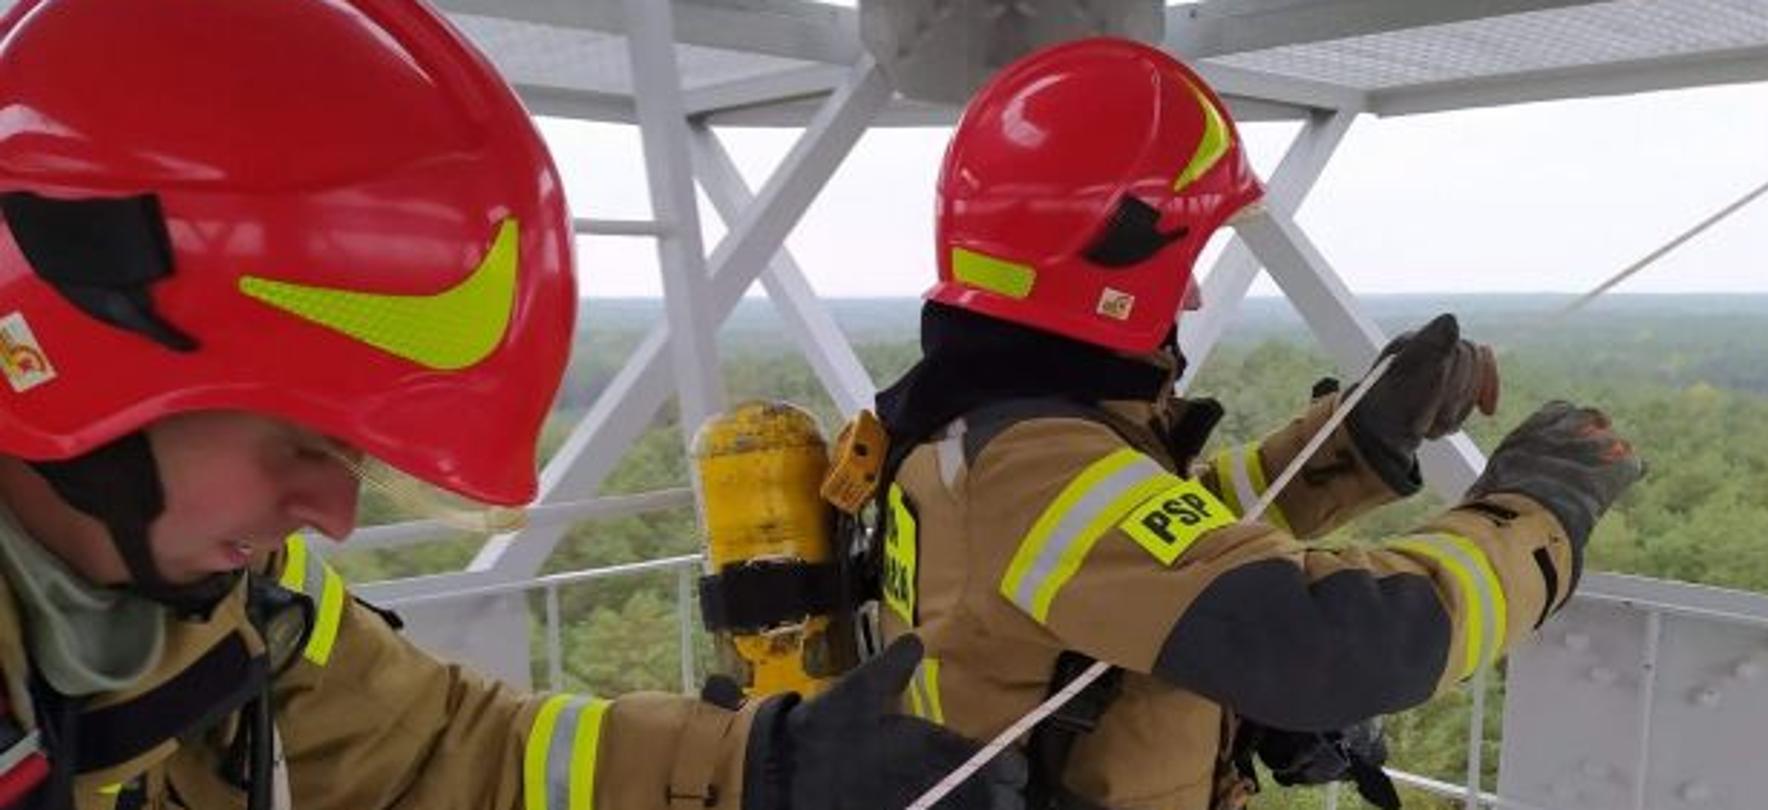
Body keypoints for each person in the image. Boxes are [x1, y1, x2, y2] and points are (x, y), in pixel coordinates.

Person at [0, 1, 1022, 808]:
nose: (336, 517)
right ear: (58, 357)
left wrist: (761, 768)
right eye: (307, 441)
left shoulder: (235, 605)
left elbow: (449, 755)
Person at [862, 37, 1644, 809]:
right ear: (1113, 261)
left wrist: (1357, 439)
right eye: (1182, 258)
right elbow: (1330, 644)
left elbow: (1168, 533)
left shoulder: (986, 431)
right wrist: (1539, 513)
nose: (1195, 296)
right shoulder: (1030, 469)